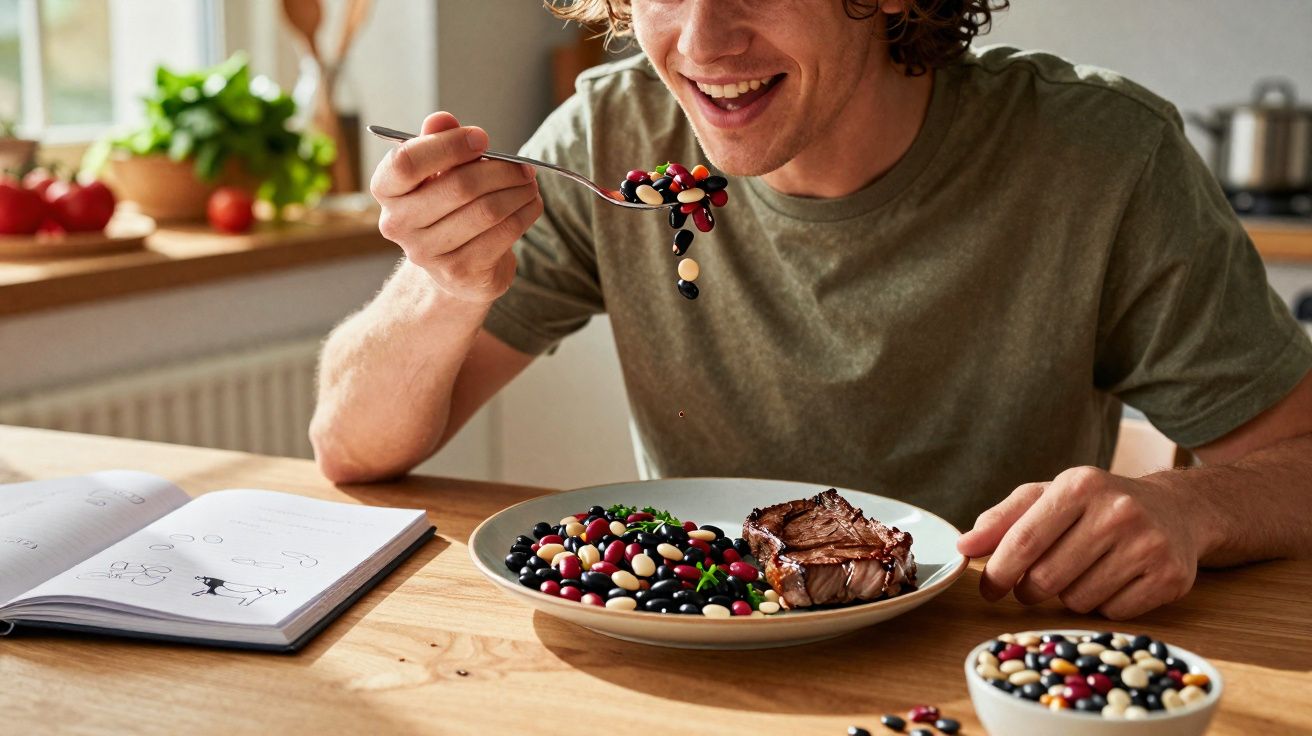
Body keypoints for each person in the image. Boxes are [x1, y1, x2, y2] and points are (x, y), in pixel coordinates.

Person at [310, 0, 1312, 620]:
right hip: (701, 651)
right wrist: (444, 286)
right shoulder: (614, 135)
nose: (702, 43)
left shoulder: (1102, 159)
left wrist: (1190, 506)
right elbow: (352, 449)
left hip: (978, 663)